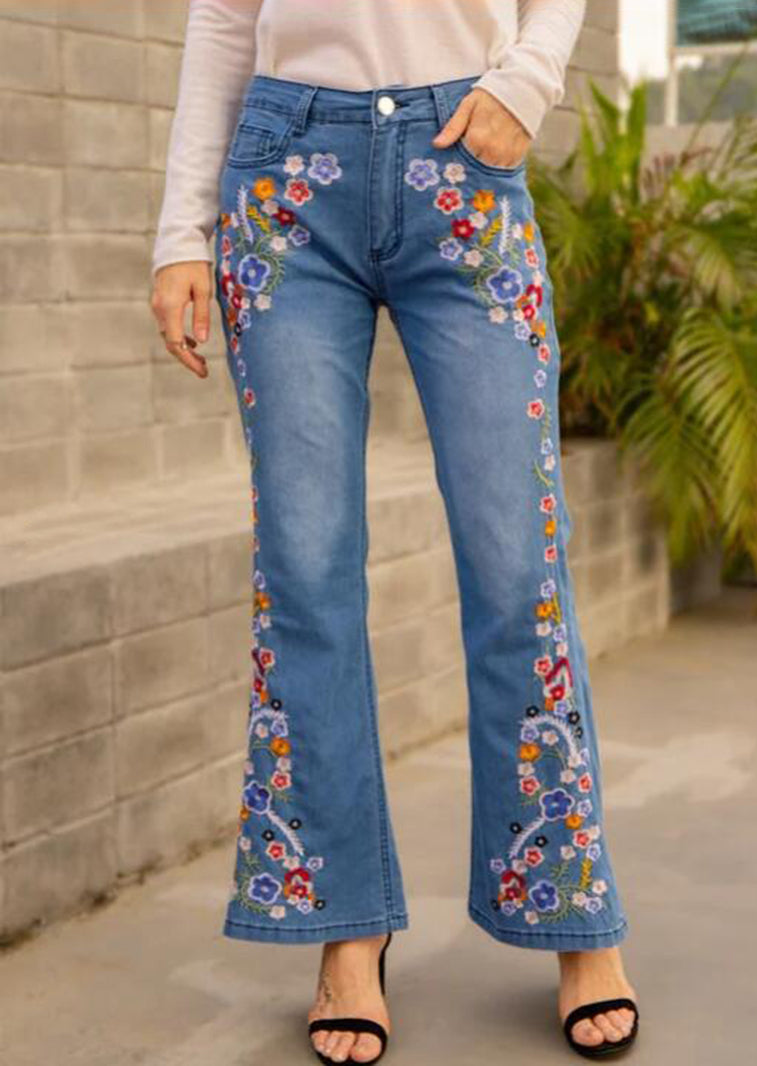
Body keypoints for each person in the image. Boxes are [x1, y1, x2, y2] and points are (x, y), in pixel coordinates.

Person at [150, 1, 640, 1062]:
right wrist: (181, 231)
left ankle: (569, 908)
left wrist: (527, 79)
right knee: (305, 572)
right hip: (283, 180)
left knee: (518, 566)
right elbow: (224, 15)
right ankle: (345, 928)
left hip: (463, 155)